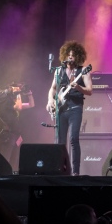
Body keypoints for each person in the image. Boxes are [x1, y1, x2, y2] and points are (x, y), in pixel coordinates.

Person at [46, 40, 92, 176]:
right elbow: (52, 89)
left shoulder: (83, 71)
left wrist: (78, 86)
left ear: (78, 56)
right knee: (59, 141)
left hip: (75, 108)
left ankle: (75, 172)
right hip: (61, 110)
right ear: (64, 56)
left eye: (73, 55)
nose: (70, 57)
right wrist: (50, 101)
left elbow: (89, 90)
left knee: (73, 139)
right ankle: (60, 170)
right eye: (68, 54)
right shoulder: (59, 71)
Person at [0, 82, 35, 173]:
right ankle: (2, 176)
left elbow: (31, 105)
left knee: (14, 161)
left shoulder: (13, 105)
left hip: (16, 135)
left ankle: (10, 175)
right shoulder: (5, 104)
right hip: (8, 134)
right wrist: (18, 93)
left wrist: (29, 95)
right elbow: (18, 107)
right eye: (16, 88)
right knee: (5, 160)